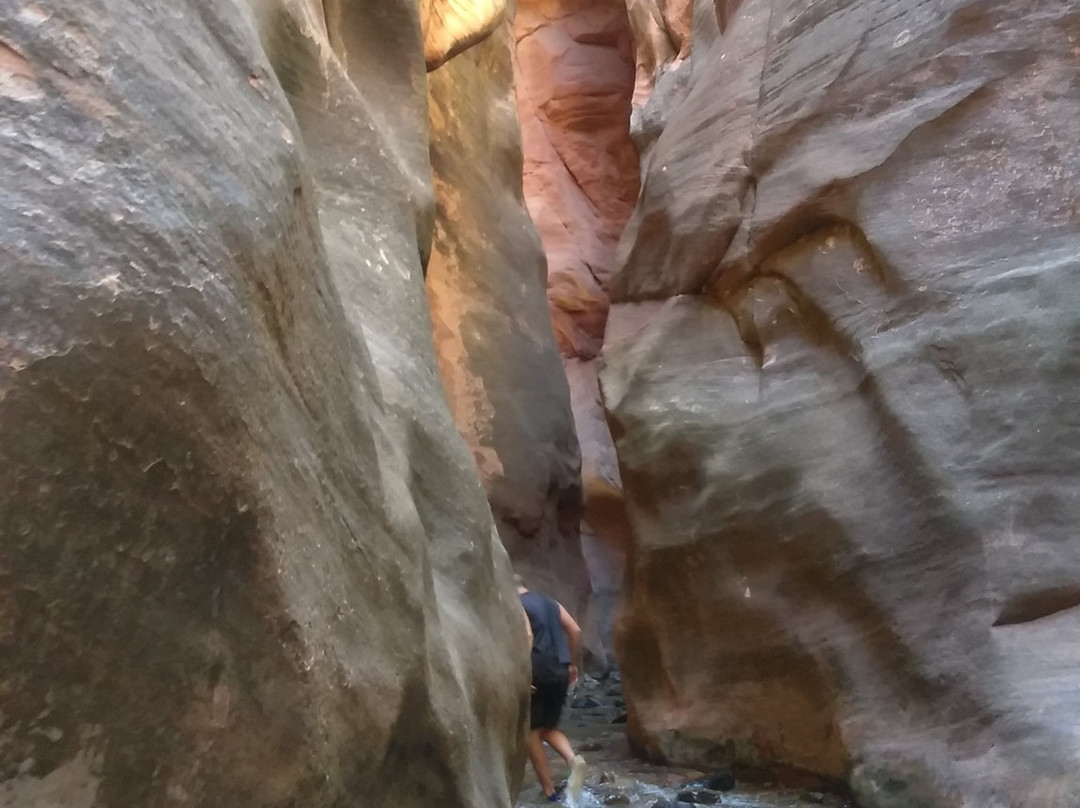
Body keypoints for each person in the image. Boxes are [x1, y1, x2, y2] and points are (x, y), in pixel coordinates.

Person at [517, 574, 586, 802]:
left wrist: (525, 671)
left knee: (530, 732)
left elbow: (527, 634)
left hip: (537, 669)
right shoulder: (550, 602)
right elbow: (575, 630)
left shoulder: (516, 603)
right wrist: (573, 664)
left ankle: (549, 792)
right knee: (547, 727)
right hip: (561, 668)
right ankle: (573, 760)